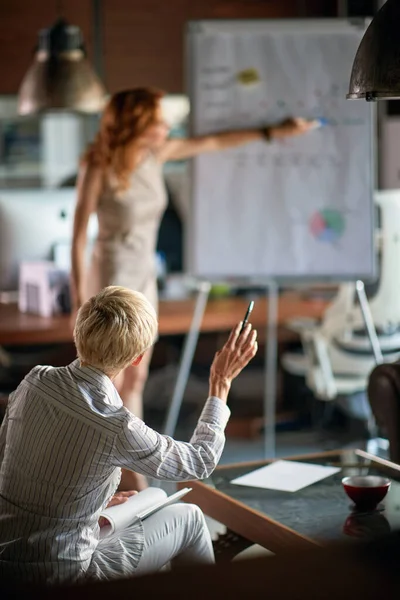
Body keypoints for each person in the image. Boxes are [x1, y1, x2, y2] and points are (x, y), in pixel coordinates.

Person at [71, 87, 316, 489]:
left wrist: (275, 132)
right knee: (108, 382)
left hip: (144, 280)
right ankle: (122, 481)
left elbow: (215, 142)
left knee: (135, 379)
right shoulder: (98, 164)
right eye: (157, 119)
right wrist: (80, 304)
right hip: (110, 279)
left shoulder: (157, 155)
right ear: (135, 122)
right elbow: (79, 236)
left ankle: (131, 481)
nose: (167, 126)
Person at [0, 286, 258, 585]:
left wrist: (91, 505)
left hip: (7, 557)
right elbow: (200, 461)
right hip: (63, 573)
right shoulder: (117, 426)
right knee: (189, 517)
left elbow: (6, 460)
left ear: (78, 333)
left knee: (156, 496)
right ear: (137, 359)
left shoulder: (35, 380)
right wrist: (220, 382)